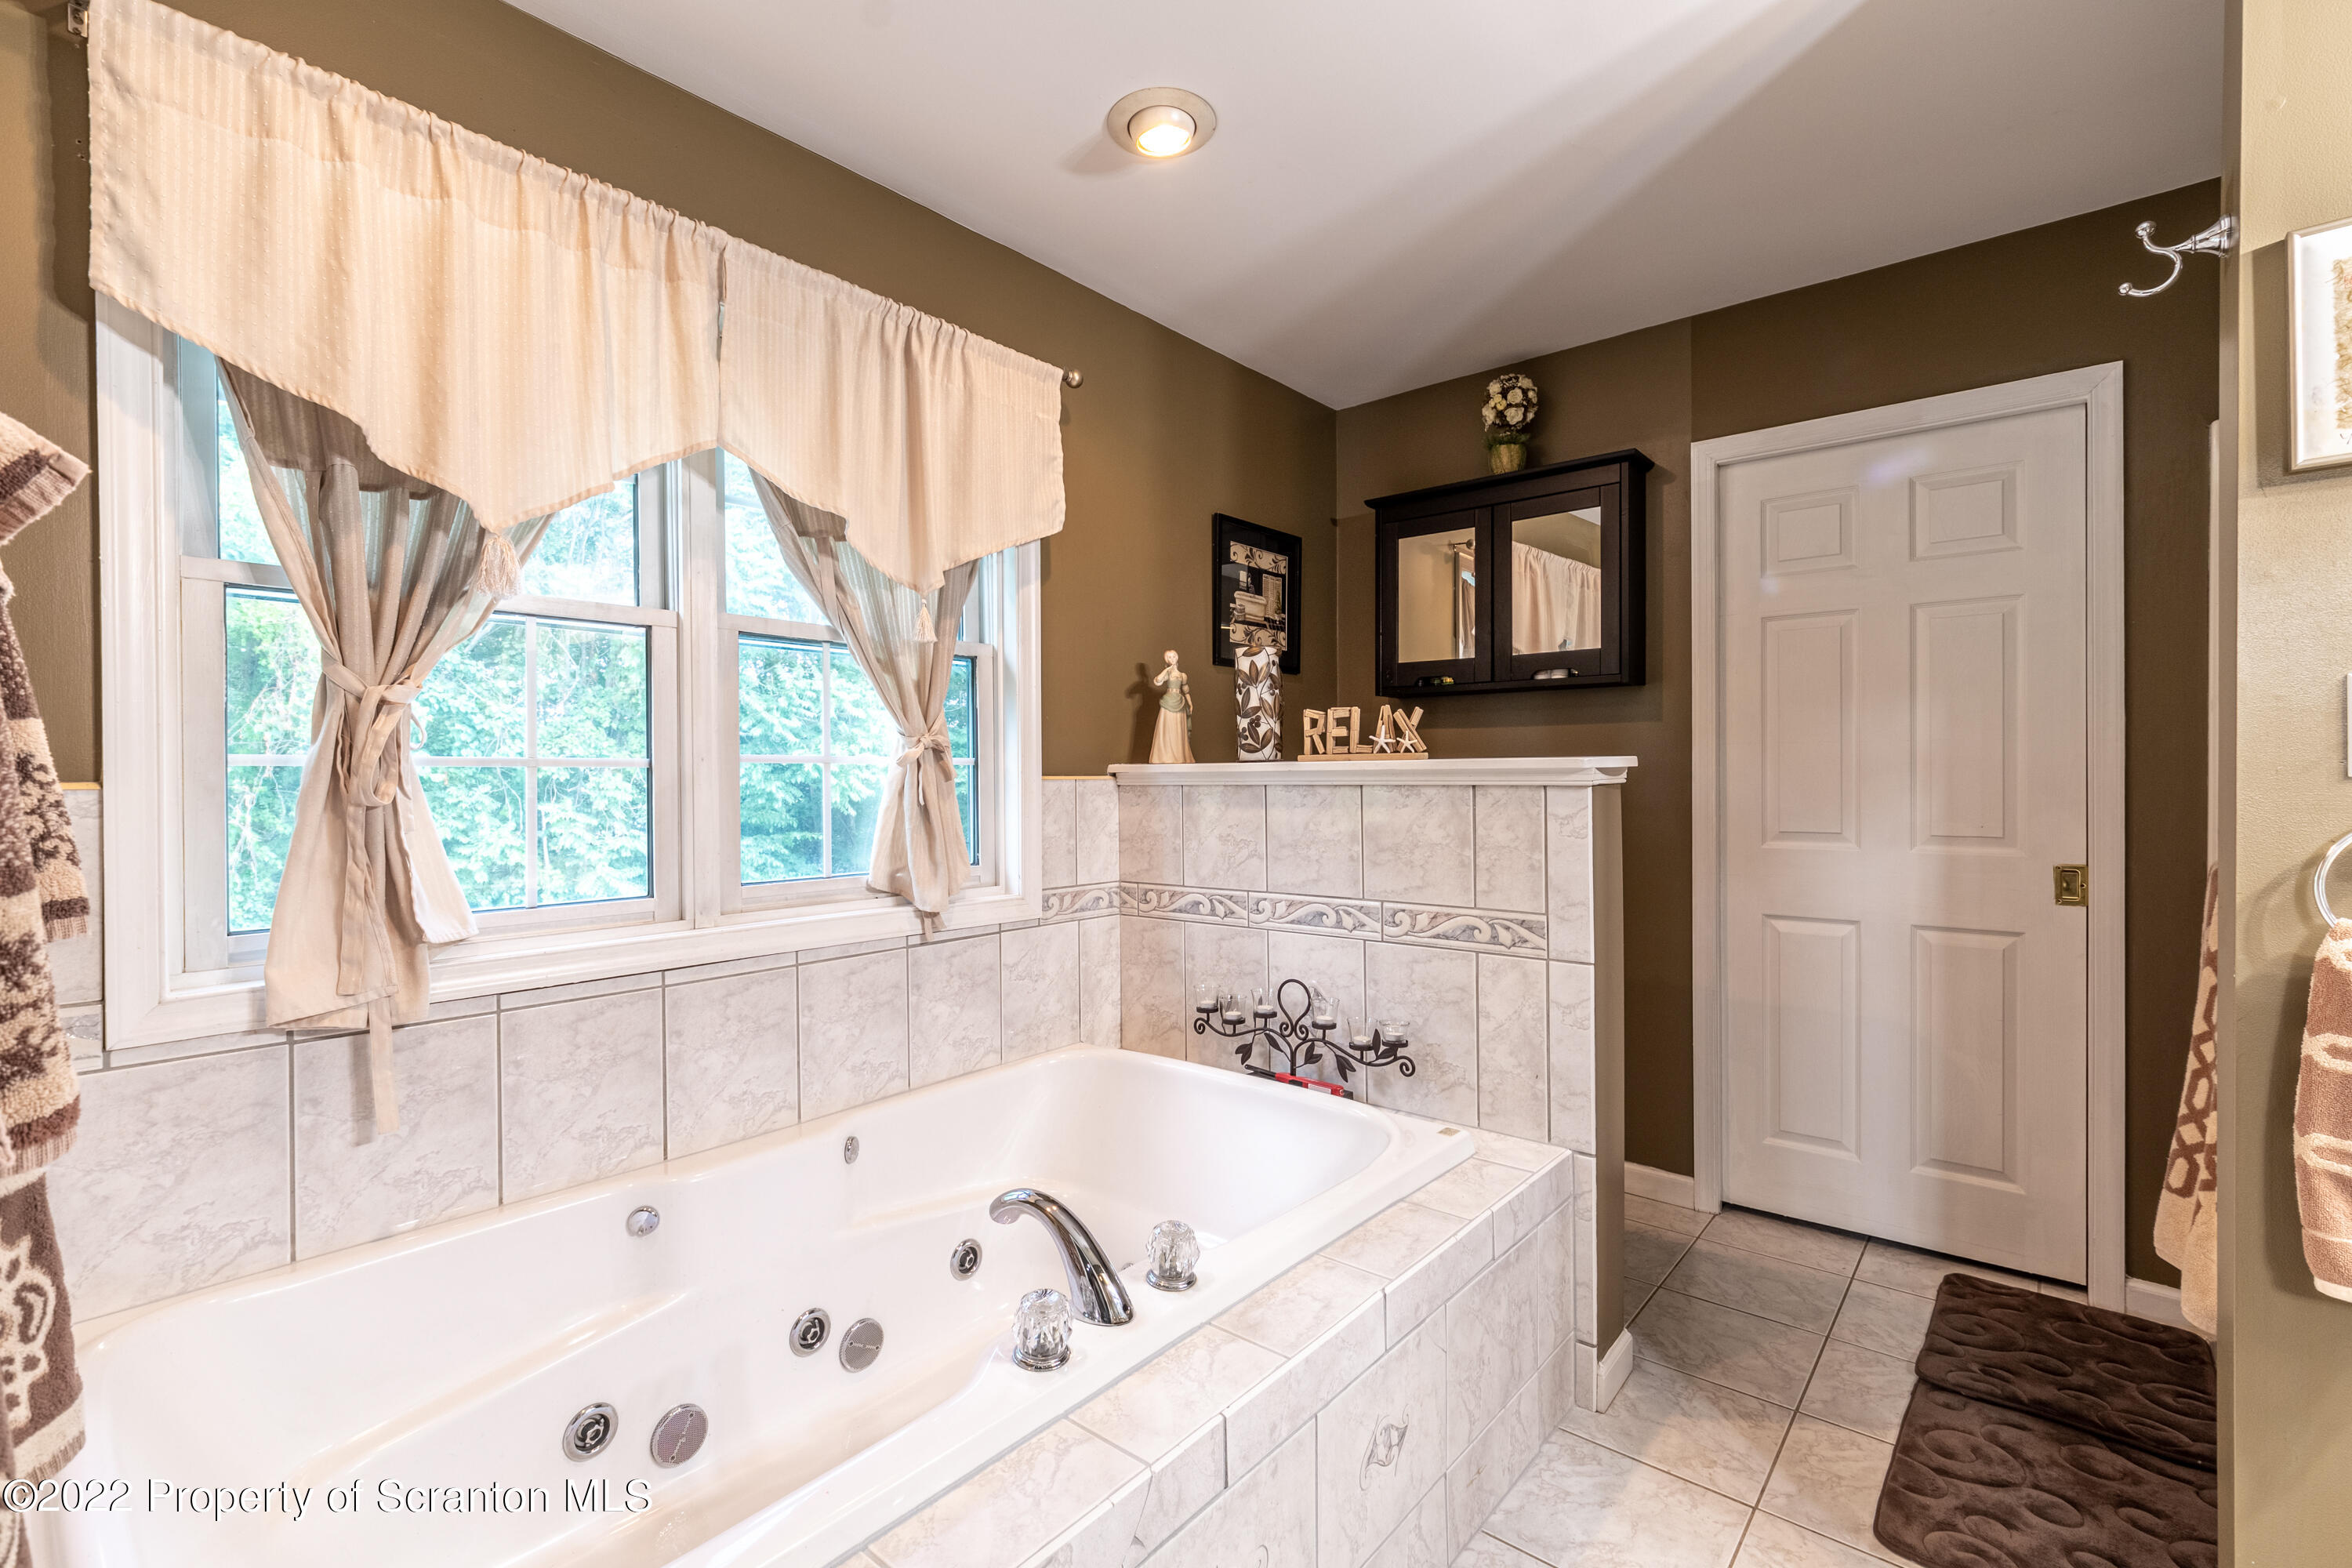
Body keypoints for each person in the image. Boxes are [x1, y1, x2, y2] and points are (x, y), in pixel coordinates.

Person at [1149, 649, 1195, 764]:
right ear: (1167, 660)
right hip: (1168, 702)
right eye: (1169, 657)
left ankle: (1179, 756)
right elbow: (1157, 681)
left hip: (1180, 702)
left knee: (1178, 730)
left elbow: (1186, 690)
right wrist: (1167, 669)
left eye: (1174, 656)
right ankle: (1165, 755)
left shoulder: (1182, 675)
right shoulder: (1167, 673)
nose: (1172, 658)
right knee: (1167, 728)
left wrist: (1190, 703)